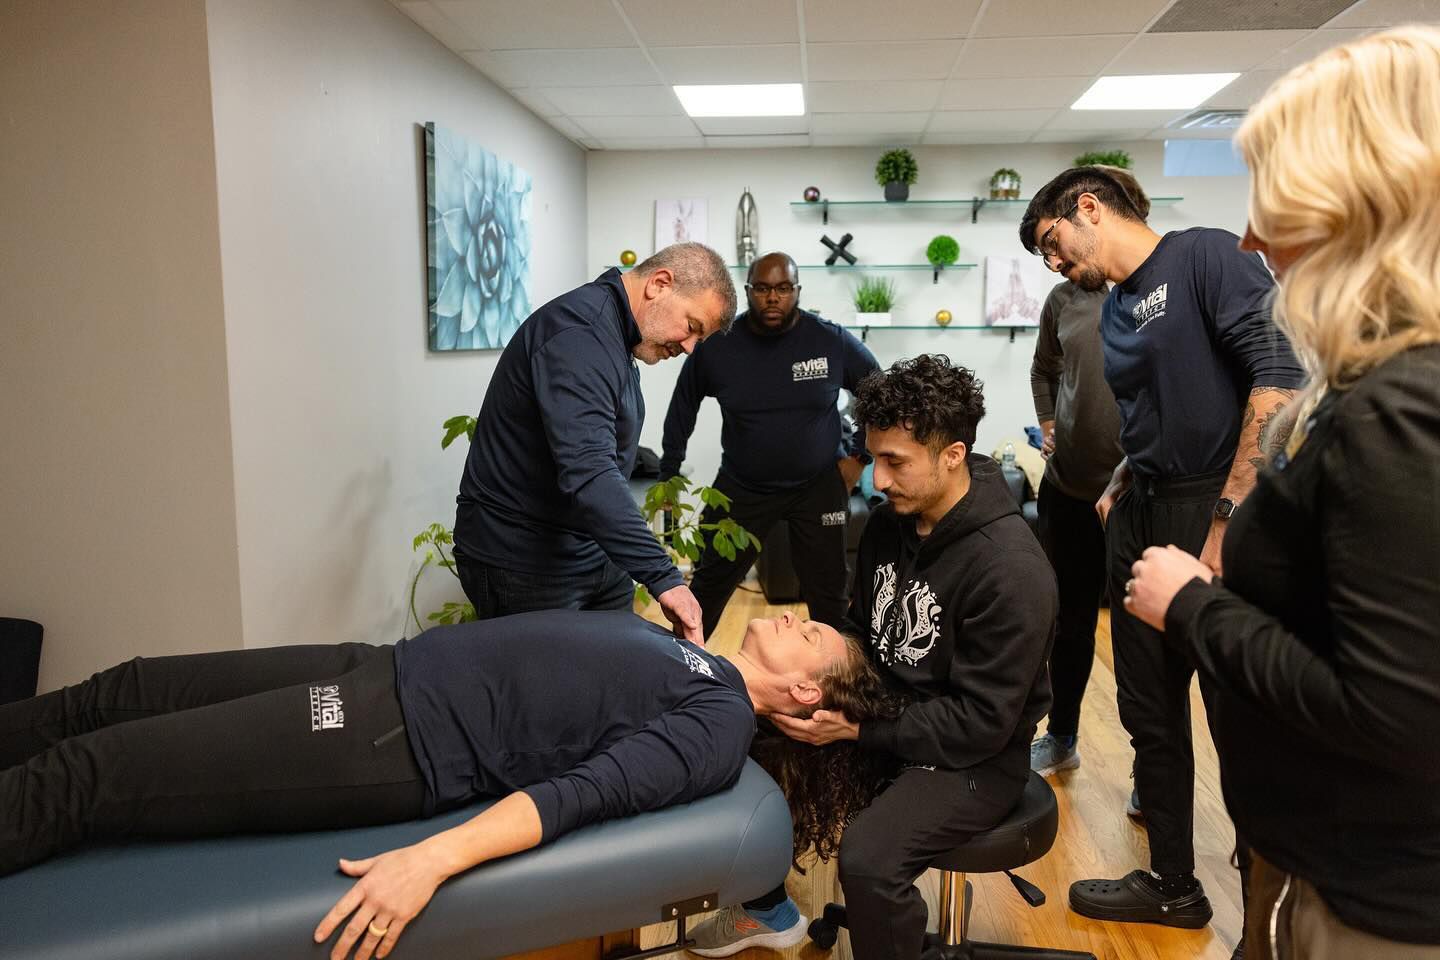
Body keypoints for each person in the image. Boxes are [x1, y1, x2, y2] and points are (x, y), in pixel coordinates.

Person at [0, 607, 899, 960]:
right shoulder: (696, 660)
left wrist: (428, 861)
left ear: (809, 690)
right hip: (380, 668)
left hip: (390, 739)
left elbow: (577, 796)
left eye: (814, 633)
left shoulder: (714, 729)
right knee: (121, 690)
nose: (796, 616)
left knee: (89, 777)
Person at [1123, 25, 1440, 960]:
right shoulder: (1381, 388)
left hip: (1384, 906)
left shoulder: (1402, 410)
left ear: (1358, 204)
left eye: (1275, 203)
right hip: (1340, 869)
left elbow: (1398, 715)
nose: (1253, 235)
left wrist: (1194, 608)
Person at [688, 355, 1057, 960]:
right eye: (873, 457)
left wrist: (858, 728)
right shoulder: (892, 526)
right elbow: (863, 629)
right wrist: (812, 684)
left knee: (867, 860)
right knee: (742, 734)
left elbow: (981, 725)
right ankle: (766, 910)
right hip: (884, 715)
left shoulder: (1010, 570)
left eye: (896, 463)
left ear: (953, 456)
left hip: (974, 759)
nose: (877, 480)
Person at [1020, 162, 1307, 935]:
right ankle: (1175, 884)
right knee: (1149, 709)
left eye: (1052, 243)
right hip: (1142, 508)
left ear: (1088, 207)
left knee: (1232, 715)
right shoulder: (1112, 306)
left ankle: (1266, 915)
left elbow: (1277, 376)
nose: (1053, 264)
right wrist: (1122, 475)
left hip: (1212, 507)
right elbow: (1156, 407)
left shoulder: (1204, 256)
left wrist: (1222, 522)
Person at [452, 243, 736, 644]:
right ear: (659, 284)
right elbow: (588, 471)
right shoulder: (579, 334)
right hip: (525, 563)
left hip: (592, 554)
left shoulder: (615, 333)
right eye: (692, 326)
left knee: (610, 686)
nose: (689, 348)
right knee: (549, 702)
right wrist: (664, 577)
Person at [660, 251, 879, 640]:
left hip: (818, 486)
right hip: (742, 487)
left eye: (782, 288)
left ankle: (836, 689)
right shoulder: (718, 346)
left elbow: (877, 389)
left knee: (829, 595)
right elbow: (682, 408)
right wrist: (669, 474)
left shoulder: (829, 339)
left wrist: (861, 457)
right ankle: (681, 675)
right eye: (762, 288)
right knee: (706, 587)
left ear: (797, 290)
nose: (772, 297)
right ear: (747, 291)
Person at [1027, 166, 1145, 778]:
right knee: (1068, 622)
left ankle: (1149, 771)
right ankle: (1063, 734)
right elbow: (1043, 370)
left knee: (1141, 637)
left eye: (1054, 247)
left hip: (1135, 495)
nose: (1054, 264)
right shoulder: (1063, 300)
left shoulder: (1150, 293)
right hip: (1067, 491)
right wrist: (1048, 421)